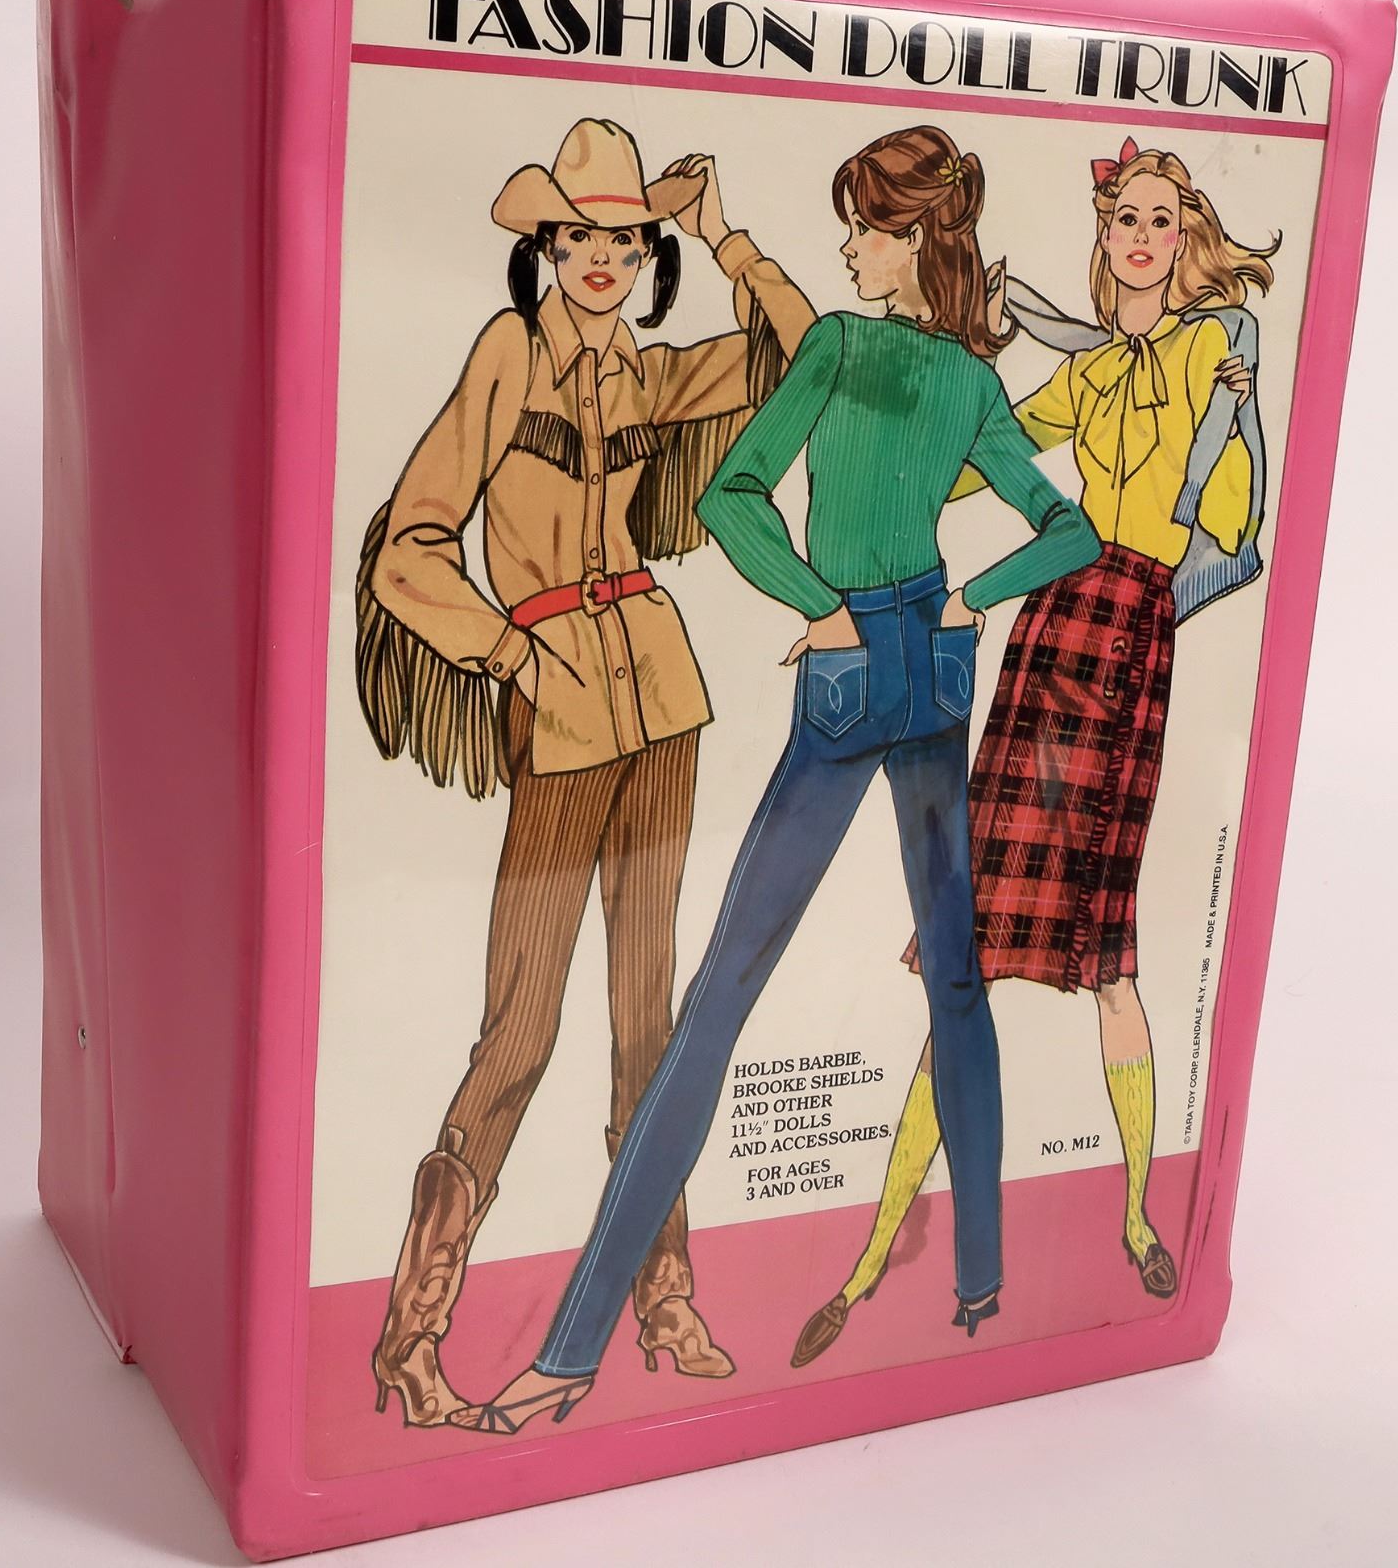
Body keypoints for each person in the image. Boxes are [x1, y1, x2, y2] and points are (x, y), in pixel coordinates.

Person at [455, 124, 1100, 1435]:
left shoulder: (856, 351)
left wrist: (828, 605)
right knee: (945, 981)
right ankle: (980, 1289)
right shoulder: (940, 372)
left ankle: (568, 1356)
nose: (847, 246)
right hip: (917, 662)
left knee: (725, 1001)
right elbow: (1063, 527)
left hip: (867, 664)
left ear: (913, 237)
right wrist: (953, 596)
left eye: (862, 225)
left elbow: (736, 499)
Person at [360, 118, 818, 1425]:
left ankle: (661, 1297)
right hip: (557, 715)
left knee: (646, 1022)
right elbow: (406, 550)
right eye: (578, 235)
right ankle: (411, 1338)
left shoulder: (649, 369)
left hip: (662, 703)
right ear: (546, 249)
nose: (603, 256)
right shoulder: (509, 354)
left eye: (626, 236)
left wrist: (724, 235)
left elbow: (804, 357)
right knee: (519, 1027)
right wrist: (509, 650)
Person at [792, 137, 1278, 1368]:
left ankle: (1136, 1219)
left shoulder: (1212, 351)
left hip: (1130, 635)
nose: (1139, 237)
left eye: (1160, 219)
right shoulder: (1088, 368)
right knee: (971, 945)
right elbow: (985, 454)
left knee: (1106, 948)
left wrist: (1228, 423)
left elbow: (1240, 529)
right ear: (1102, 233)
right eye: (1123, 217)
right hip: (1050, 624)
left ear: (1187, 238)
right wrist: (895, 449)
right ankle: (869, 1253)